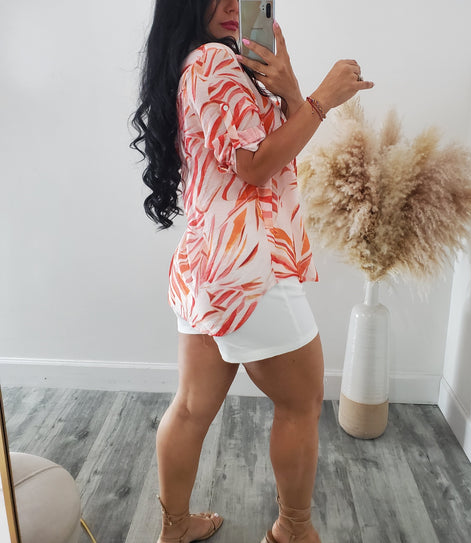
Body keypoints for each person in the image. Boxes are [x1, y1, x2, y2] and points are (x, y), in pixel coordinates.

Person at [131, 1, 373, 542]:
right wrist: (323, 98)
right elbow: (257, 165)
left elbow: (274, 149)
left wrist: (291, 90)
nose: (231, 6)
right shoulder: (214, 62)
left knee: (191, 408)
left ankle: (174, 529)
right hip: (249, 270)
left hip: (209, 264)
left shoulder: (205, 64)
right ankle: (293, 530)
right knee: (301, 402)